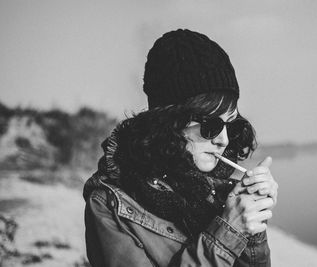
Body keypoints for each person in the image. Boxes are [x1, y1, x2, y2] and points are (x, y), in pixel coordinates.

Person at [83, 29, 278, 267]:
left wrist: (252, 221)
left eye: (231, 125)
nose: (223, 140)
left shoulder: (219, 190)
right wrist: (228, 231)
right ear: (169, 122)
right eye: (211, 125)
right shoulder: (109, 204)